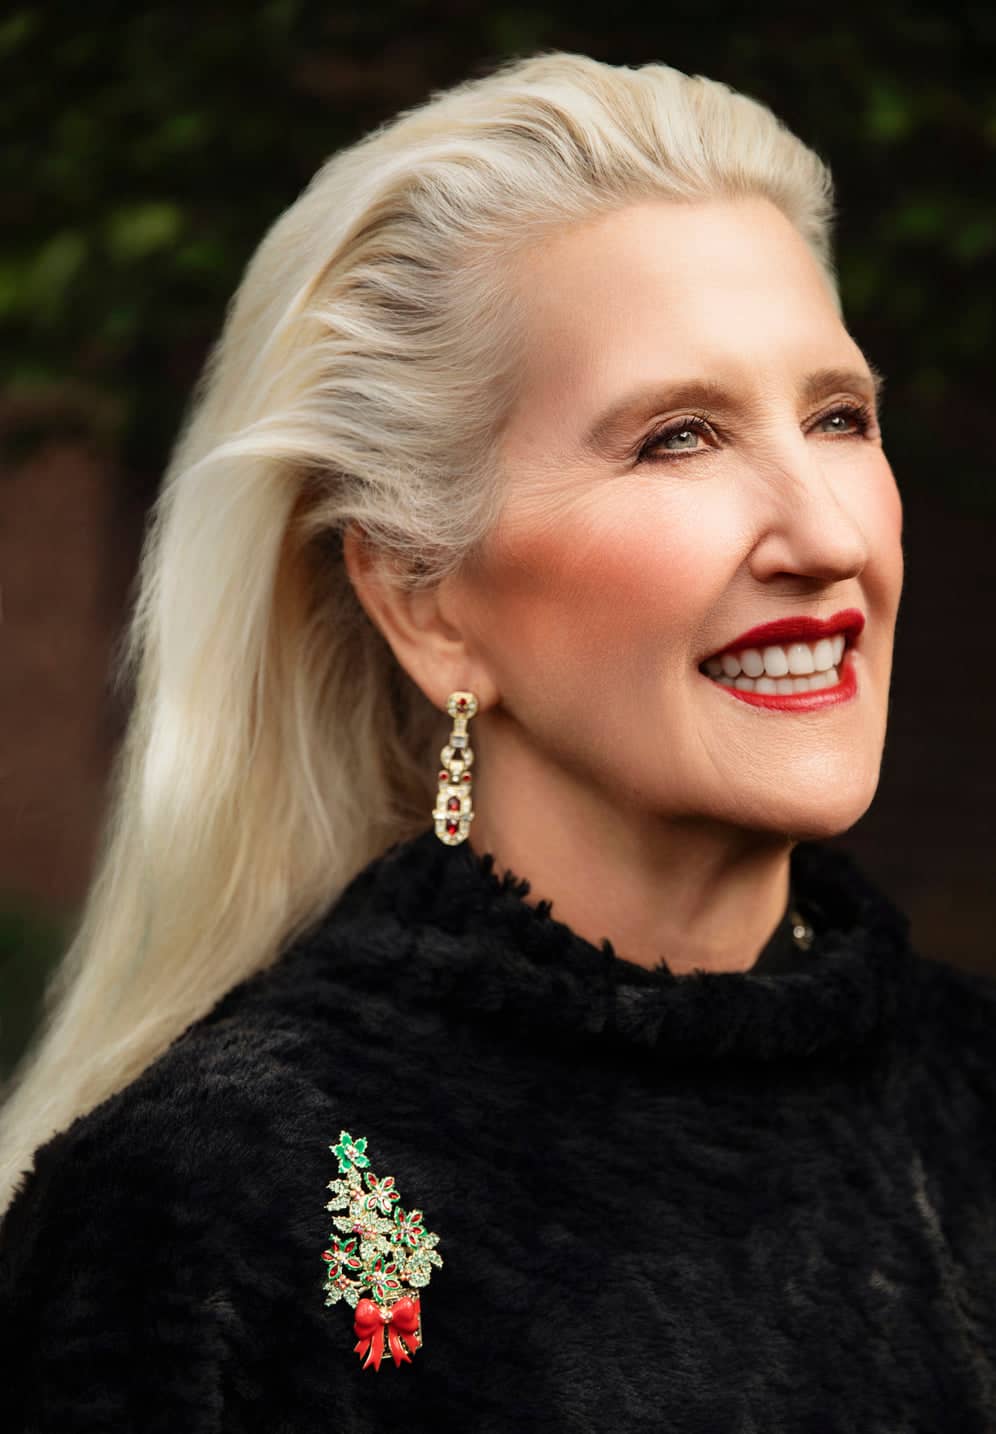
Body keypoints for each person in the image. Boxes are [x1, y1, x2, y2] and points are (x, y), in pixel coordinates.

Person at [1, 48, 994, 1434]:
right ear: (422, 597)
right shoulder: (212, 1203)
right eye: (678, 437)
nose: (827, 535)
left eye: (840, 416)